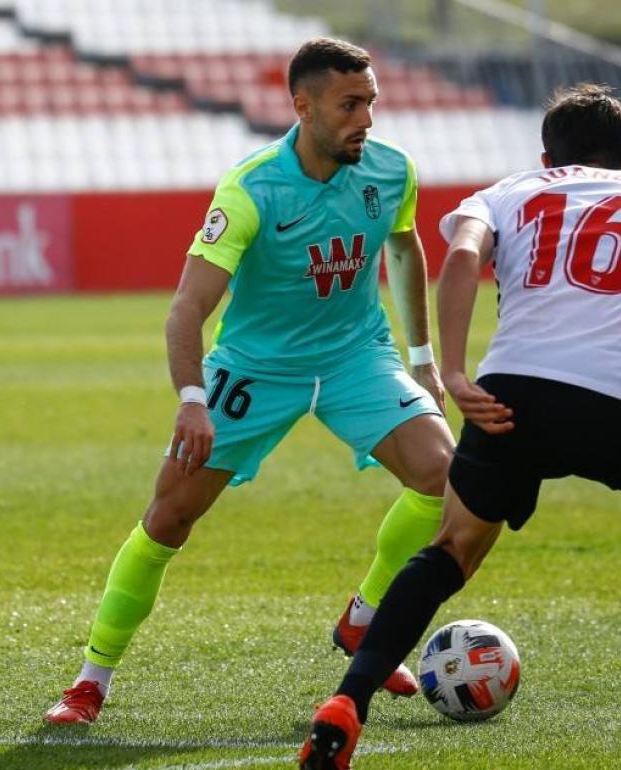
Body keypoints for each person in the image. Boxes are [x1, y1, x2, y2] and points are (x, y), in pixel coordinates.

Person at [299, 83, 621, 770]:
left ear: (546, 157)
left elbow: (459, 258)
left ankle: (347, 702)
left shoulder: (507, 192)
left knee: (452, 547)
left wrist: (453, 374)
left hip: (511, 398)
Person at [44, 38, 456, 725]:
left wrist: (421, 358)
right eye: (350, 105)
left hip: (357, 357)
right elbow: (186, 311)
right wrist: (192, 401)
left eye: (372, 103)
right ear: (303, 106)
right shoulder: (251, 189)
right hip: (255, 368)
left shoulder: (391, 171)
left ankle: (365, 618)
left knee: (444, 478)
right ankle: (91, 680)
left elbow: (404, 244)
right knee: (169, 516)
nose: (367, 120)